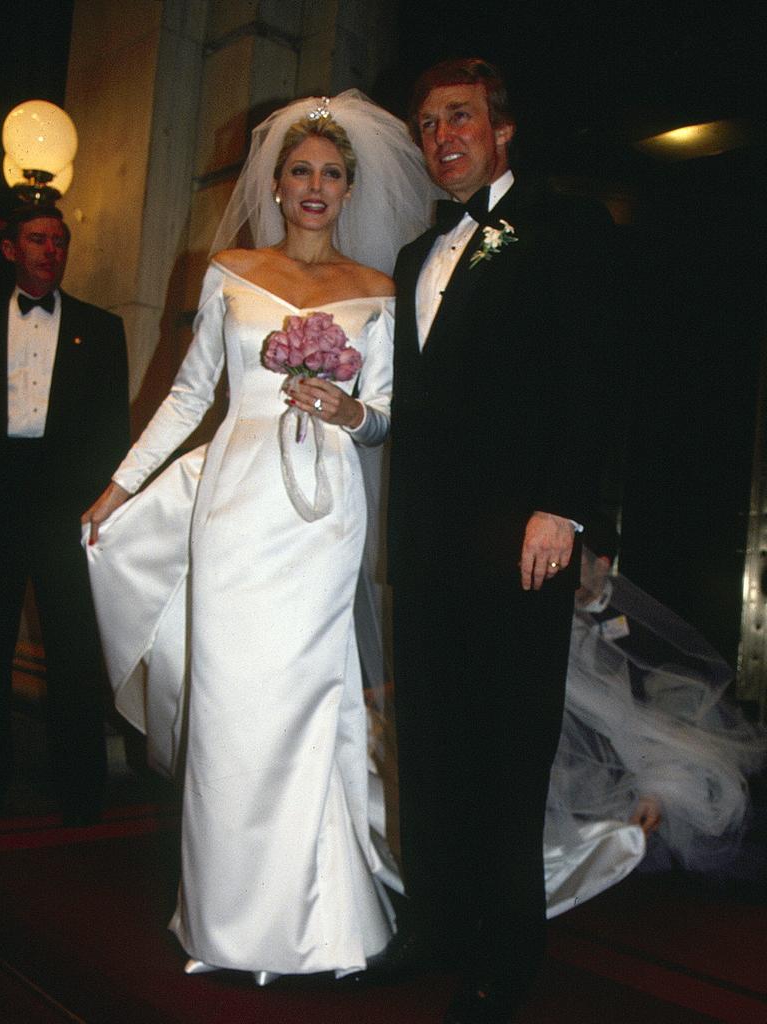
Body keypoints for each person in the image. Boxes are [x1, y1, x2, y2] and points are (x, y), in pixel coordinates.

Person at [81, 91, 437, 981]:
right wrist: (121, 485)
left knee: (312, 704)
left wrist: (350, 407)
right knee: (234, 713)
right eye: (300, 171)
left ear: (350, 189)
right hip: (236, 509)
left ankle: (325, 919)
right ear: (275, 185)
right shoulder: (230, 271)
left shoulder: (379, 290)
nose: (315, 187)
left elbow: (390, 416)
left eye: (331, 174)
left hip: (323, 521)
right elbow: (190, 394)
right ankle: (226, 917)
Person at [388, 59, 615, 1022]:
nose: (445, 134)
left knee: (506, 748)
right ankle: (436, 925)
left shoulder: (566, 228)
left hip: (522, 537)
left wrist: (564, 507)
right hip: (427, 541)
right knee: (431, 740)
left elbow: (597, 377)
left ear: (503, 129)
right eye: (430, 121)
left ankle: (506, 949)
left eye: (463, 117)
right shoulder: (411, 258)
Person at [0, 204, 129, 825]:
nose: (51, 250)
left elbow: (113, 432)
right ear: (9, 249)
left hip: (64, 505)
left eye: (60, 240)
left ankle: (81, 791)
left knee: (73, 646)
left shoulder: (101, 328)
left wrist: (101, 509)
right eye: (37, 239)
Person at [549, 531, 767, 874]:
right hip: (601, 747)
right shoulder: (558, 617)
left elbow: (676, 696)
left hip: (655, 730)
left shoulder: (640, 614)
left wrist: (660, 786)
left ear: (602, 566)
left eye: (575, 563)